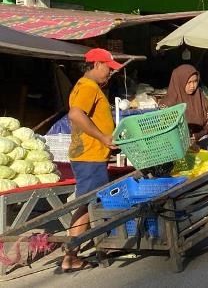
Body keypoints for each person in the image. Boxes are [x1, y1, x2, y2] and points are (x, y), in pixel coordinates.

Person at [62, 48, 122, 273]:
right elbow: (76, 114)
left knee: (87, 203)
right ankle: (71, 256)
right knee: (87, 204)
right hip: (90, 156)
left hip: (90, 155)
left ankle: (74, 254)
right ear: (97, 64)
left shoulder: (85, 86)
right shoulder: (87, 87)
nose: (110, 73)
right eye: (108, 68)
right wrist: (104, 137)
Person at [163, 64, 208, 151]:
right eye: (189, 82)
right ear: (180, 82)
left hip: (200, 141)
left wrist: (201, 134)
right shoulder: (167, 104)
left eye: (195, 81)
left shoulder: (200, 96)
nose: (193, 86)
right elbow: (165, 130)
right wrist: (186, 140)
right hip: (176, 147)